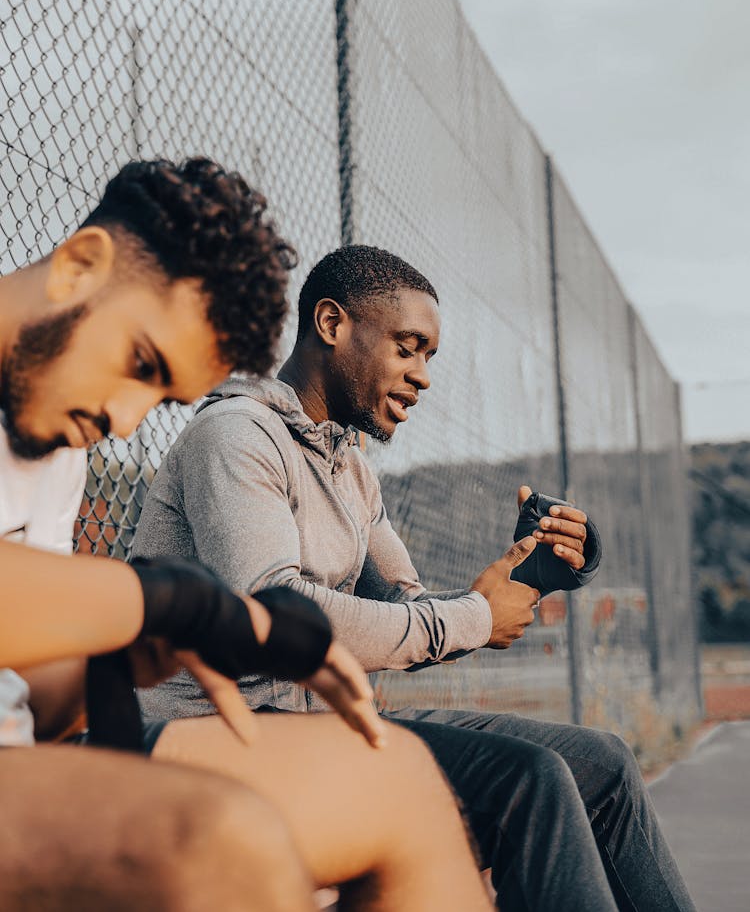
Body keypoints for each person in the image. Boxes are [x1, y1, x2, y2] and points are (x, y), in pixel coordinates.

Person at [136, 243, 698, 912]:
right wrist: (472, 616)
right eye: (408, 347)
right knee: (531, 779)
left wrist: (530, 574)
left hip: (322, 725)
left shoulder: (351, 467)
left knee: (601, 762)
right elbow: (275, 609)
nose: (423, 375)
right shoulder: (236, 435)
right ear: (332, 323)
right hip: (212, 737)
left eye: (428, 355)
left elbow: (409, 606)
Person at [1, 175, 491, 912]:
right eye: (142, 362)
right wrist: (174, 606)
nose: (126, 420)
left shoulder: (59, 430)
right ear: (79, 266)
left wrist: (124, 655)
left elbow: (31, 700)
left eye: (160, 397)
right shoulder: (81, 404)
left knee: (399, 779)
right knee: (232, 842)